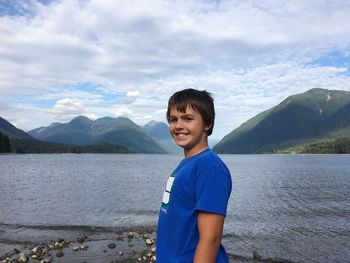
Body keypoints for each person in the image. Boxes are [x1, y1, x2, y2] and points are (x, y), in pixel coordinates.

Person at [156, 89, 232, 263]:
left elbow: (210, 239)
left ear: (207, 124)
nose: (178, 126)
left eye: (188, 119)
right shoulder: (188, 163)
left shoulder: (209, 167)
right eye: (173, 119)